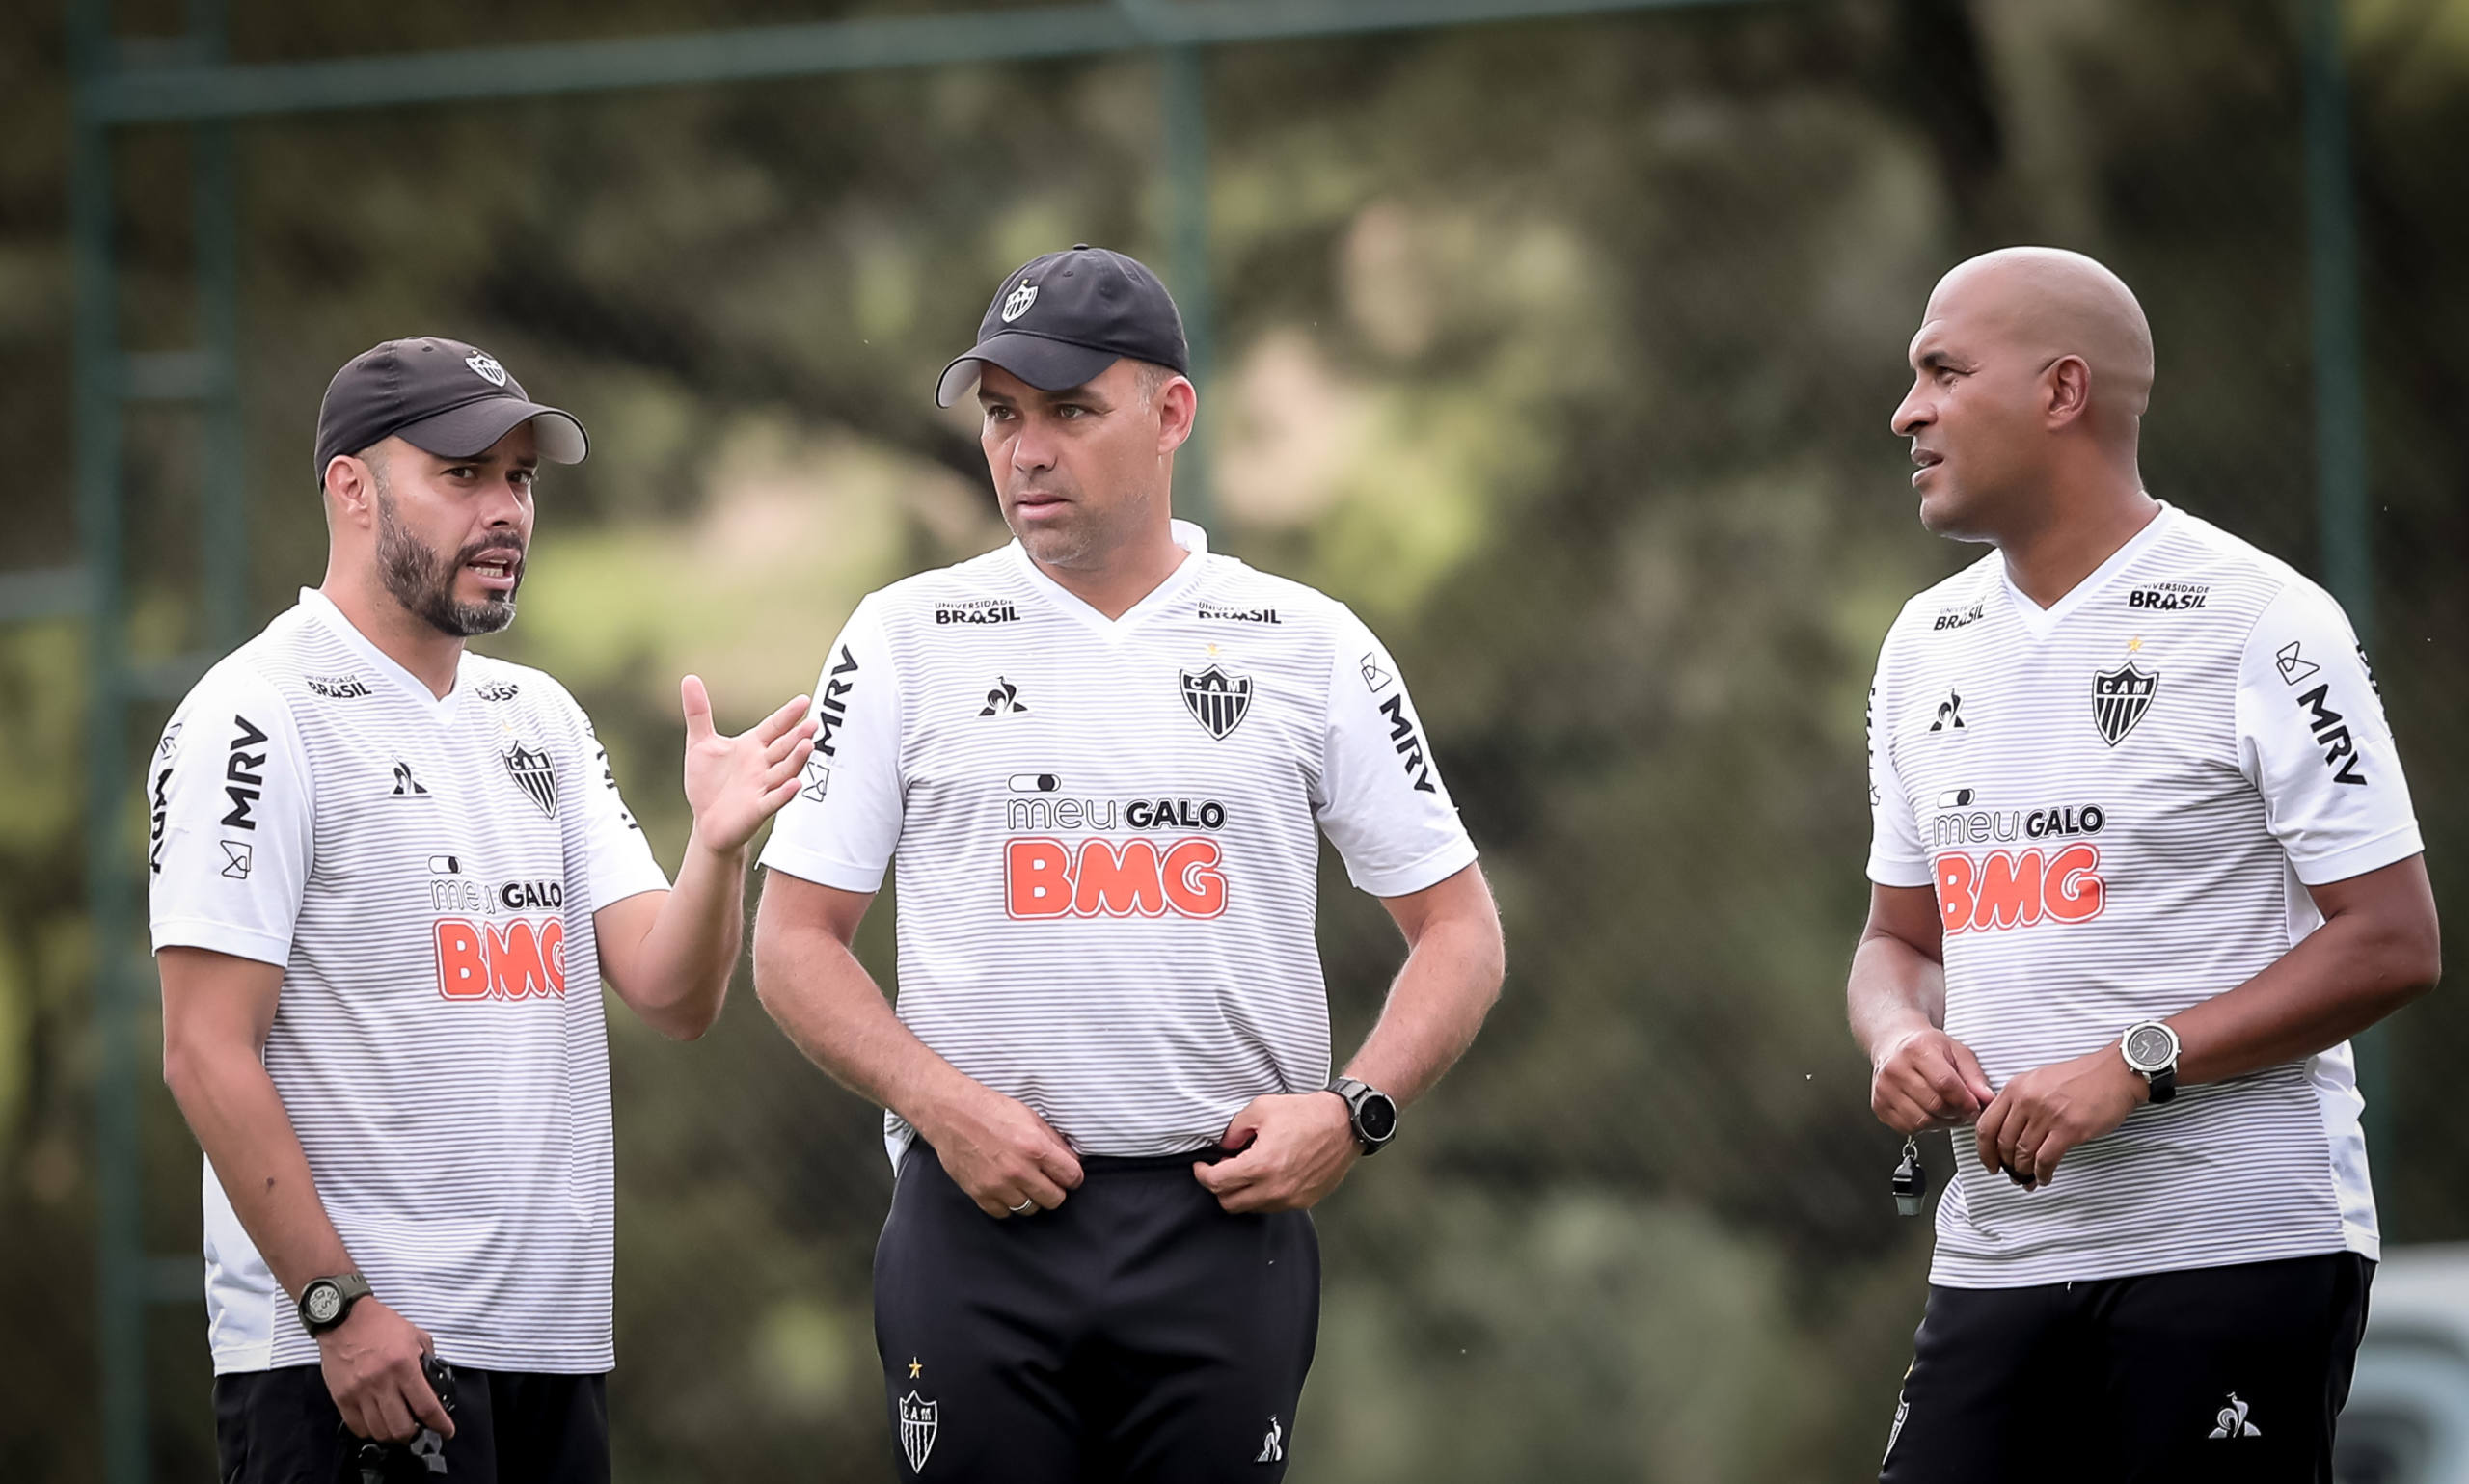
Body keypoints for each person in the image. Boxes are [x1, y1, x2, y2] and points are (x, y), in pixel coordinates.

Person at [750, 245, 1506, 1482]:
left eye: (1069, 411)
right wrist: (943, 1108)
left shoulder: (1306, 643)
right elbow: (790, 944)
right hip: (976, 1213)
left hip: (1223, 1224)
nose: (1025, 451)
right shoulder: (903, 636)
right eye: (1002, 415)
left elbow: (1461, 932)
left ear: (1172, 415)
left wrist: (1351, 1113)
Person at [149, 336, 818, 1482]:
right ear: (351, 489)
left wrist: (716, 849)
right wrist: (337, 1309)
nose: (505, 509)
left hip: (550, 1349)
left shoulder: (538, 716)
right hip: (352, 1364)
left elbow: (672, 993)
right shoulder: (253, 714)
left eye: (520, 478)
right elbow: (204, 1051)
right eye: (462, 475)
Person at [1852, 247, 2442, 1482]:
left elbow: (2393, 941)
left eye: (1943, 373)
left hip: (2236, 1248)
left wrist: (2136, 1062)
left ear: (2062, 391)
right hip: (1996, 1258)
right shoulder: (1921, 644)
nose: (1907, 412)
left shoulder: (2264, 620)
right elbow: (1898, 942)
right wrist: (1897, 1035)